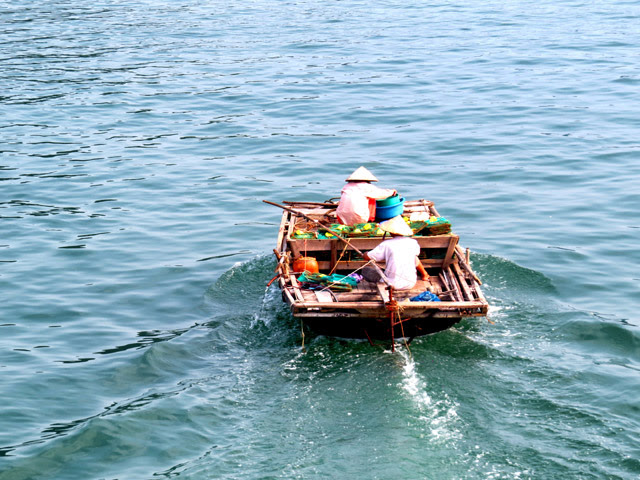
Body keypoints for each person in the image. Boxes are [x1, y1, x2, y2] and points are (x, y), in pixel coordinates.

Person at [362, 215, 430, 290]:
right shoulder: (413, 242)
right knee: (414, 258)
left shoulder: (386, 244)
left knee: (365, 271)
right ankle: (424, 274)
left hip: (391, 284)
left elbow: (367, 257)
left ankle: (386, 281)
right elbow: (415, 258)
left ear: (391, 232)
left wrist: (365, 253)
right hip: (410, 283)